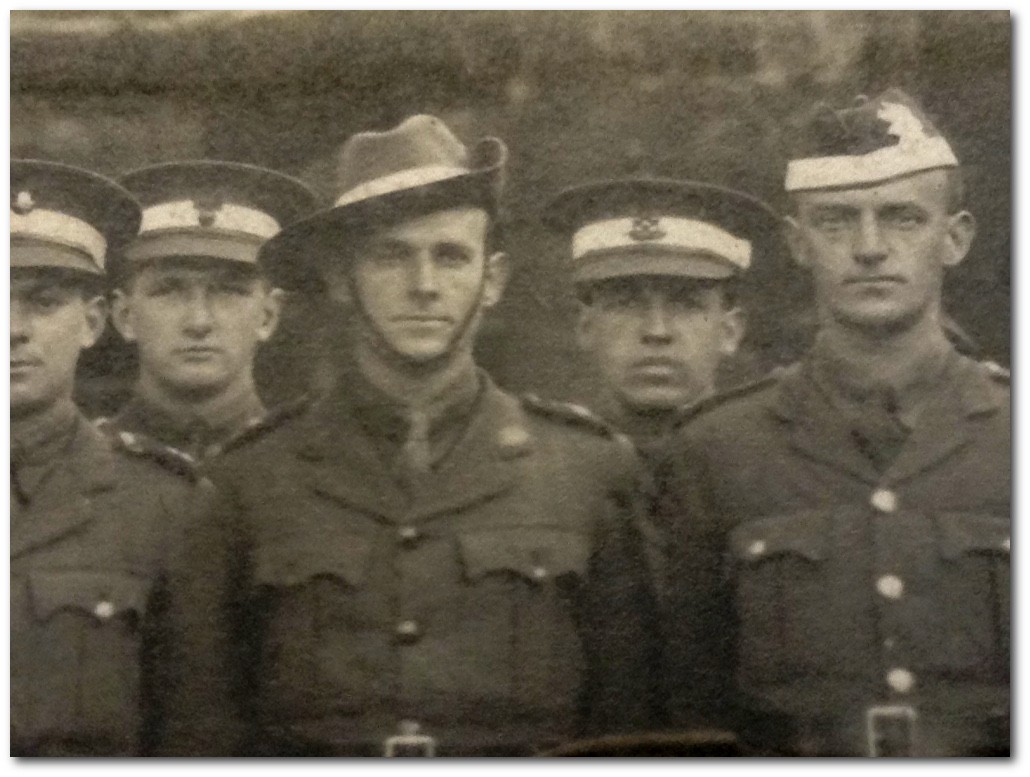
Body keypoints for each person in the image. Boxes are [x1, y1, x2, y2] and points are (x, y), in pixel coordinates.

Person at [167, 114, 659, 756]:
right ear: (341, 279)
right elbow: (201, 734)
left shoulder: (586, 471)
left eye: (451, 256)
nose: (424, 286)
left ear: (495, 279)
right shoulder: (250, 481)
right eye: (391, 255)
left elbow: (630, 734)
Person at [654, 88, 1010, 756]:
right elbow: (689, 713)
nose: (870, 247)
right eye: (837, 221)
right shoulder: (718, 449)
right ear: (797, 242)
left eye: (902, 218)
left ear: (955, 237)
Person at [9, 160, 205, 756]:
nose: (12, 328)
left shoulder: (163, 504)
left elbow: (192, 737)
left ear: (92, 322)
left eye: (42, 303)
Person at [543, 177, 780, 456]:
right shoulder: (545, 472)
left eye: (686, 305)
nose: (657, 331)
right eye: (627, 303)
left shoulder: (775, 469)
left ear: (730, 331)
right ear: (586, 327)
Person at [104, 161, 318, 461]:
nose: (199, 322)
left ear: (269, 316)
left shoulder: (315, 466)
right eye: (169, 290)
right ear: (124, 316)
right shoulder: (75, 467)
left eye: (229, 291)